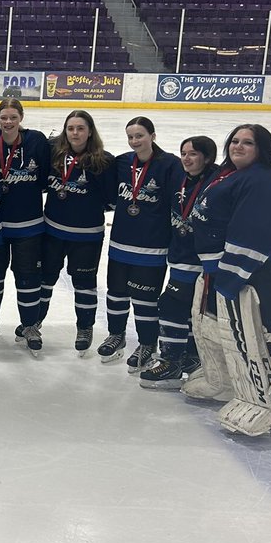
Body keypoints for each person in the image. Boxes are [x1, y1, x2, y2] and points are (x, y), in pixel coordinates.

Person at [185, 125, 271, 437]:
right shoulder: (231, 173)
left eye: (247, 143)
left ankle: (262, 401)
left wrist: (234, 274)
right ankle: (221, 379)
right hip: (223, 267)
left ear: (262, 148)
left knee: (249, 333)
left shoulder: (261, 180)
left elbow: (257, 233)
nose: (238, 146)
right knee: (215, 325)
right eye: (234, 141)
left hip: (255, 270)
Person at [97, 116, 184, 372]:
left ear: (152, 136)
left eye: (140, 136)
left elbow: (178, 201)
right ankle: (116, 335)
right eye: (131, 136)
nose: (135, 141)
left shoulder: (170, 165)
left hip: (153, 247)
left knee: (145, 300)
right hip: (121, 243)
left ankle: (147, 343)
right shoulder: (123, 162)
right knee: (116, 294)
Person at [139, 135, 219, 390]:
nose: (186, 158)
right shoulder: (181, 180)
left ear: (207, 157)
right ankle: (188, 358)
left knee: (180, 308)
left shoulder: (216, 183)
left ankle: (174, 360)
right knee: (178, 307)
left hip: (202, 262)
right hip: (180, 258)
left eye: (193, 154)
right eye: (184, 153)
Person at [38, 110, 117, 355]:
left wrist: (85, 208)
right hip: (52, 231)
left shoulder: (103, 161)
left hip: (87, 235)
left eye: (80, 128)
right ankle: (34, 321)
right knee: (46, 279)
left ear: (90, 131)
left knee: (84, 283)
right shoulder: (54, 154)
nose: (75, 133)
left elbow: (111, 200)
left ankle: (85, 327)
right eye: (70, 128)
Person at [0, 98, 50, 355]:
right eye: (4, 117)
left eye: (13, 117)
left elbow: (43, 179)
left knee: (28, 277)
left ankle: (30, 325)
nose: (8, 122)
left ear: (21, 118)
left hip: (29, 225)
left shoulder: (37, 141)